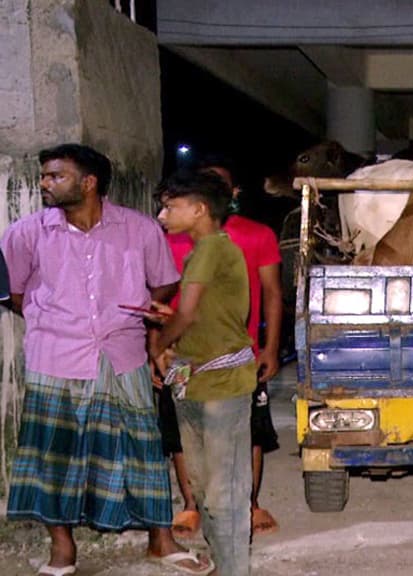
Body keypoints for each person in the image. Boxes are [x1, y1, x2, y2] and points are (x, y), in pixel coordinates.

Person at [0, 144, 212, 576]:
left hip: (121, 355)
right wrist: (58, 318)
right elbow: (17, 293)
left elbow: (164, 285)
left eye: (55, 175)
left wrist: (126, 314)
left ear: (89, 182)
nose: (45, 183)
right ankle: (63, 551)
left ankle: (161, 541)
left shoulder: (139, 230)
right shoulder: (27, 233)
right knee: (53, 455)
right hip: (55, 356)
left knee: (141, 450)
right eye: (44, 176)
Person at [158, 155, 283, 537]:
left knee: (249, 428)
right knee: (183, 427)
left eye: (219, 183)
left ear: (232, 193)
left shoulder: (257, 234)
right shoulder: (169, 239)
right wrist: (157, 347)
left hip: (239, 353)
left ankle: (249, 503)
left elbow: (273, 294)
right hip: (183, 353)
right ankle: (191, 504)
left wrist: (271, 347)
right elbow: (159, 294)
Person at [149, 170, 257, 576]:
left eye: (170, 207)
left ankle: (234, 569)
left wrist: (159, 344)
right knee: (208, 488)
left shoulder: (210, 248)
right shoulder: (206, 250)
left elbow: (189, 312)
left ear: (199, 209)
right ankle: (226, 563)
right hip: (198, 383)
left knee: (223, 492)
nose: (162, 215)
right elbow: (196, 315)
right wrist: (170, 319)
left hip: (220, 386)